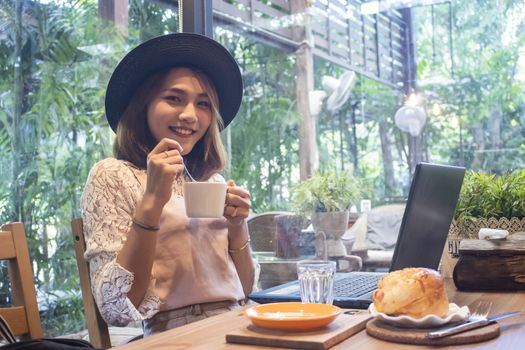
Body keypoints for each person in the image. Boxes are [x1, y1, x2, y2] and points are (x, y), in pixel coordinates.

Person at [81, 33, 255, 336]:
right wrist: (151, 203)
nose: (189, 115)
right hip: (175, 334)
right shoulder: (113, 175)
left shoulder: (210, 181)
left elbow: (246, 287)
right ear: (143, 104)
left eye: (203, 104)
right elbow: (115, 309)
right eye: (173, 98)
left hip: (240, 322)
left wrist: (237, 226)